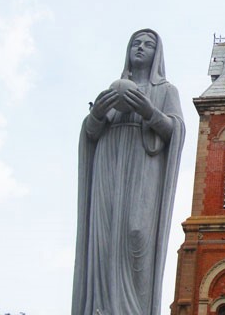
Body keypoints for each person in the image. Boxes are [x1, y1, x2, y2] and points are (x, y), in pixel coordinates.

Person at [72, 29, 185, 315]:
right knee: (105, 236)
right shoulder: (111, 92)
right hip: (108, 165)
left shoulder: (165, 91)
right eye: (136, 43)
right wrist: (96, 114)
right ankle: (100, 307)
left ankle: (133, 309)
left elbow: (174, 131)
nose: (141, 48)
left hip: (143, 166)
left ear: (156, 54)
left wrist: (150, 112)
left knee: (136, 233)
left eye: (148, 44)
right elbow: (91, 133)